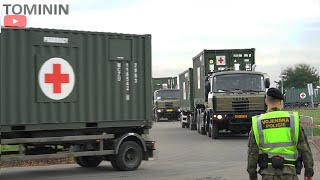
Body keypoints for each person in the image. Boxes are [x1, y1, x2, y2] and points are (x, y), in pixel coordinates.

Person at [247, 88, 314, 180]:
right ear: (281, 102)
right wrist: (309, 172)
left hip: (268, 174)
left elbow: (252, 152)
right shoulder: (292, 120)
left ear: (266, 101)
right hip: (290, 173)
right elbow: (305, 149)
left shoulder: (258, 123)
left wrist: (252, 175)